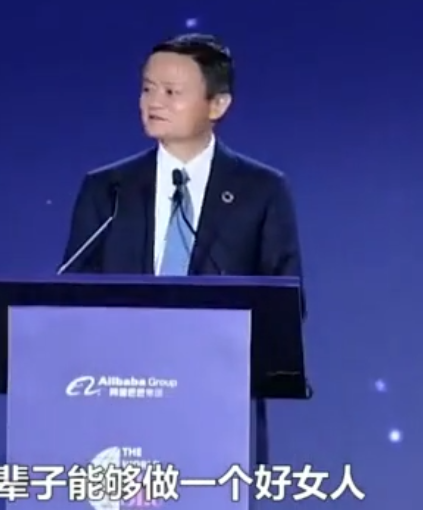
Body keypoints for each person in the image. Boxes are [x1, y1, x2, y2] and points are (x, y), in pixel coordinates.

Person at [60, 33, 305, 467]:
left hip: (216, 410)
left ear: (217, 105)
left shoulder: (261, 191)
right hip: (116, 411)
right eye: (147, 88)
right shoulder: (107, 189)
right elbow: (74, 296)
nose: (152, 102)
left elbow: (286, 304)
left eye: (171, 92)